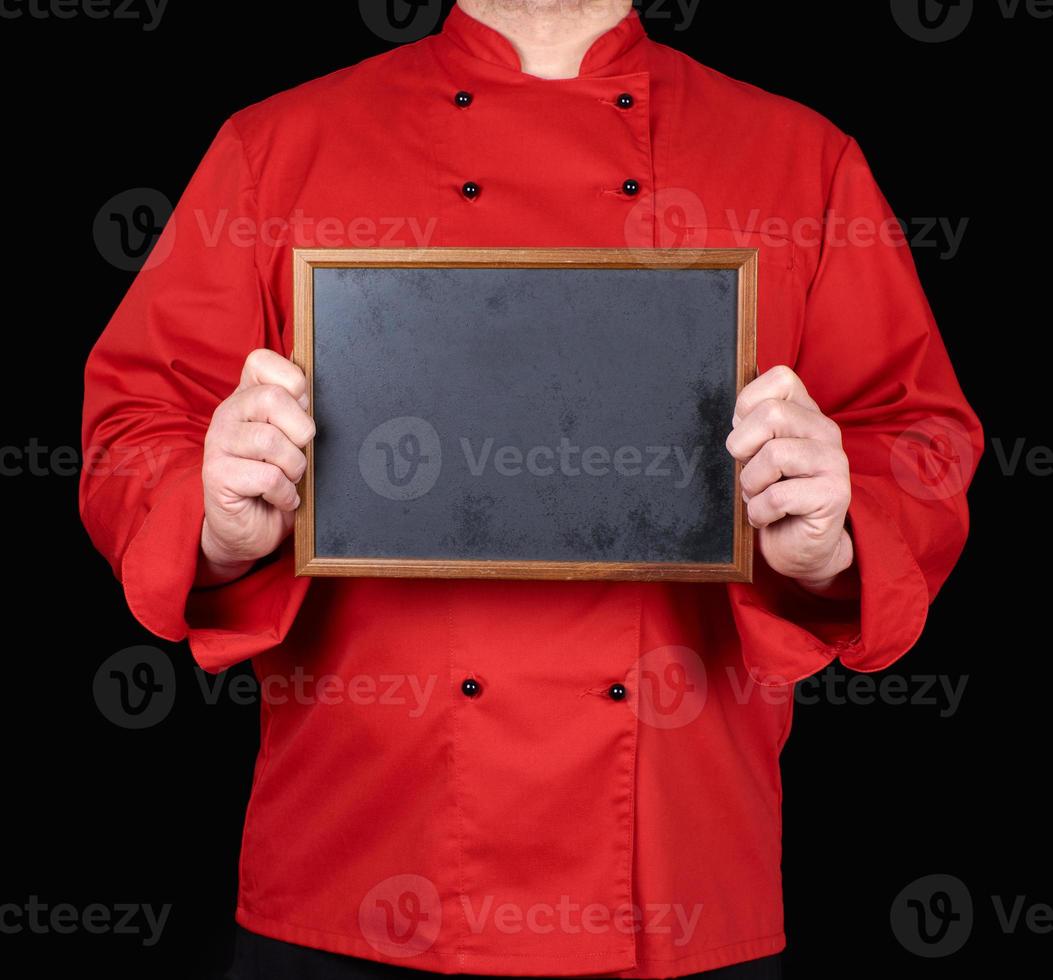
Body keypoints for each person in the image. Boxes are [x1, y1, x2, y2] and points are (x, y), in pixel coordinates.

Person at [79, 1, 982, 977]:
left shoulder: (802, 160)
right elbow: (132, 428)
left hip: (679, 895)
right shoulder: (276, 146)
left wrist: (839, 530)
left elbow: (916, 436)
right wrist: (213, 519)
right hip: (360, 881)